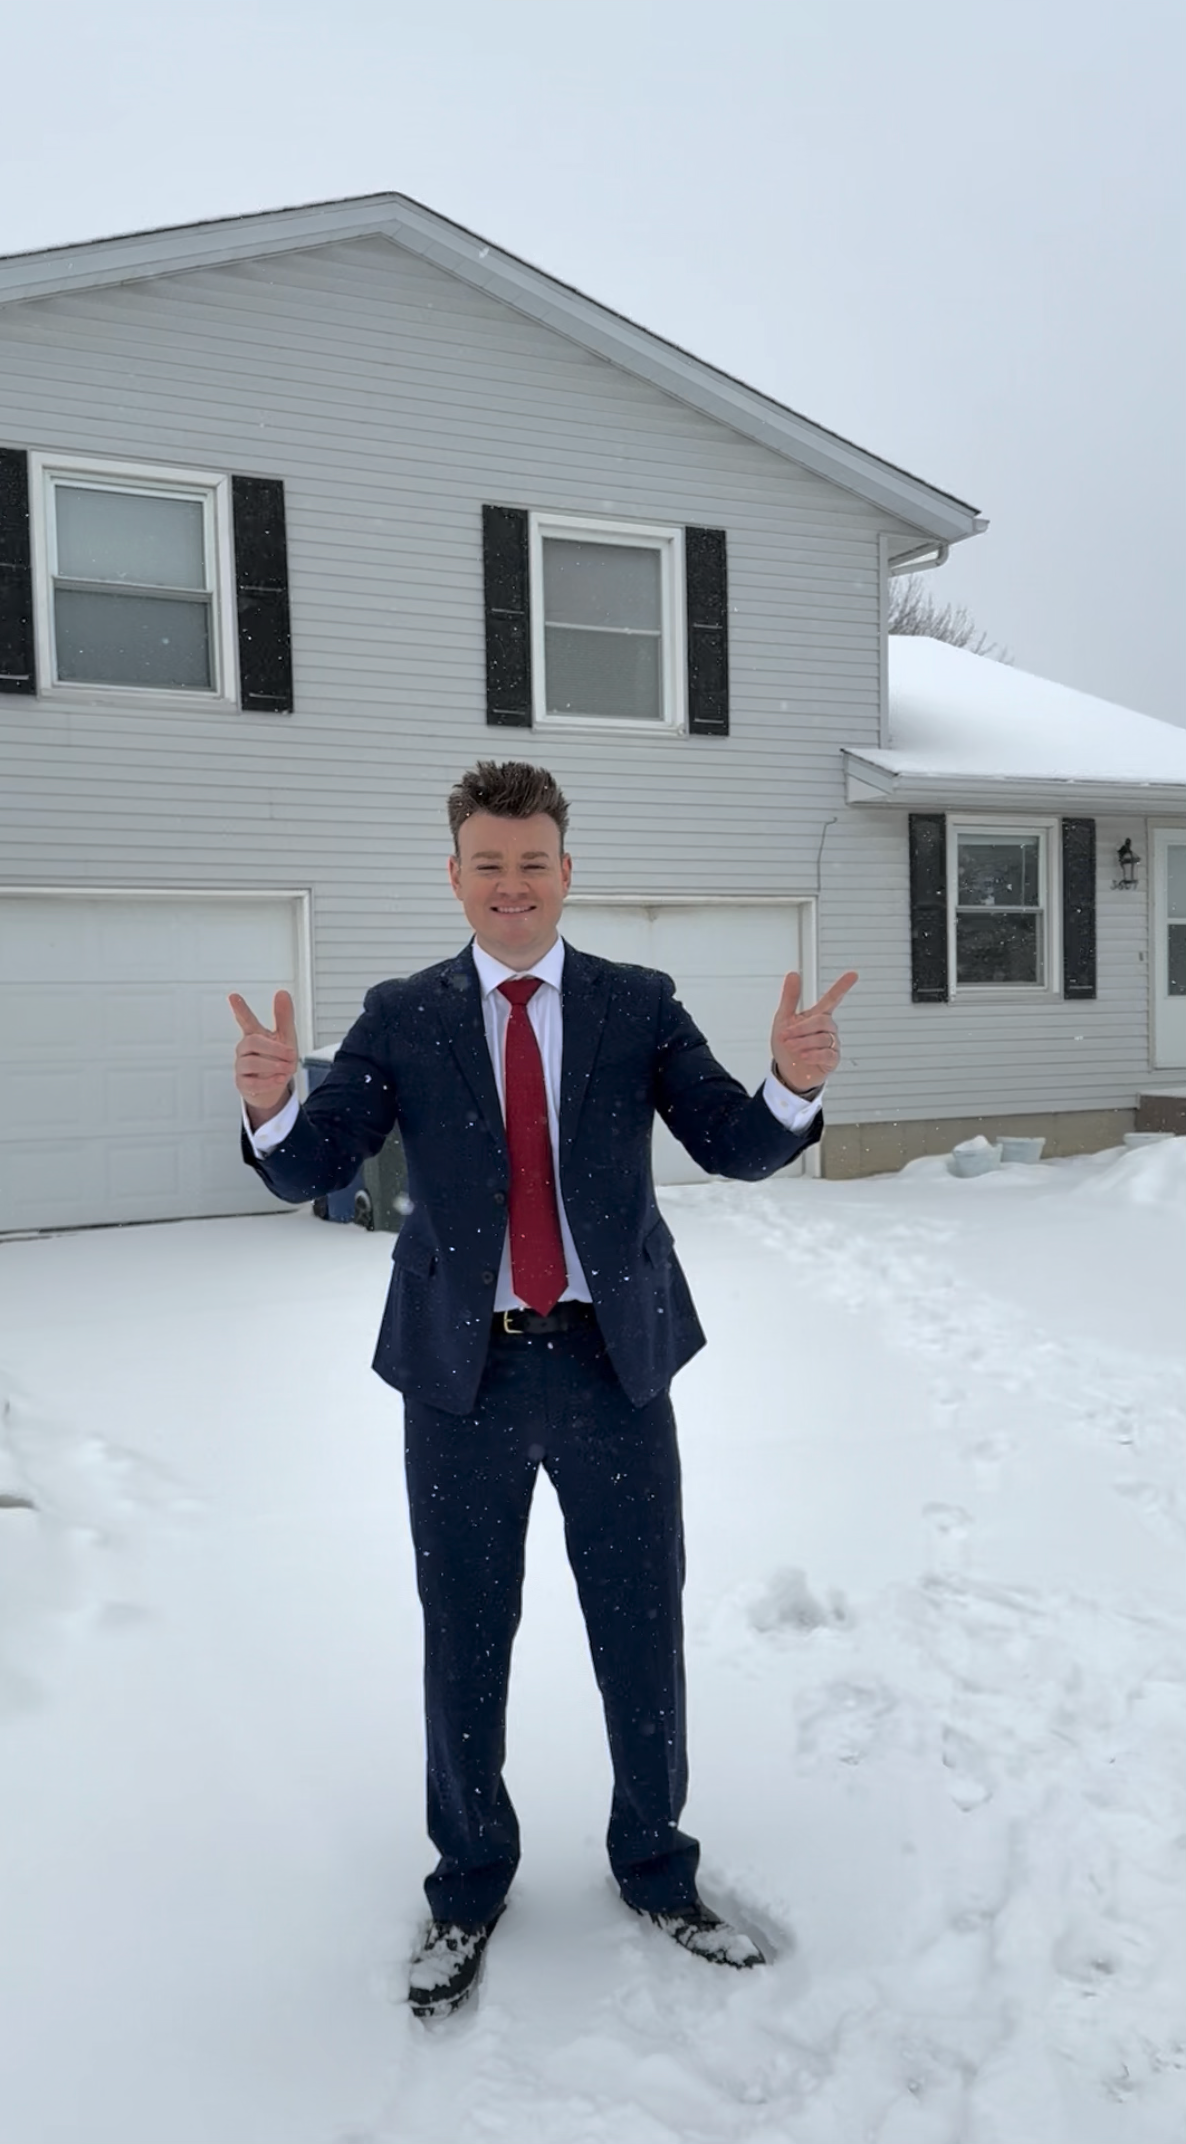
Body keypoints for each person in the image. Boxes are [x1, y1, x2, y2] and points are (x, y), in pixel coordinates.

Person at [230, 760, 856, 2021]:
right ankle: (467, 1881)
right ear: (454, 874)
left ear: (565, 871)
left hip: (612, 1364)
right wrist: (272, 1103)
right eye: (487, 863)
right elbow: (314, 1163)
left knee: (640, 1625)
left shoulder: (637, 1003)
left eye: (532, 862)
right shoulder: (404, 1012)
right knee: (466, 1630)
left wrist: (792, 1082)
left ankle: (654, 1863)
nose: (511, 885)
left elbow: (733, 1144)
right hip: (463, 1377)